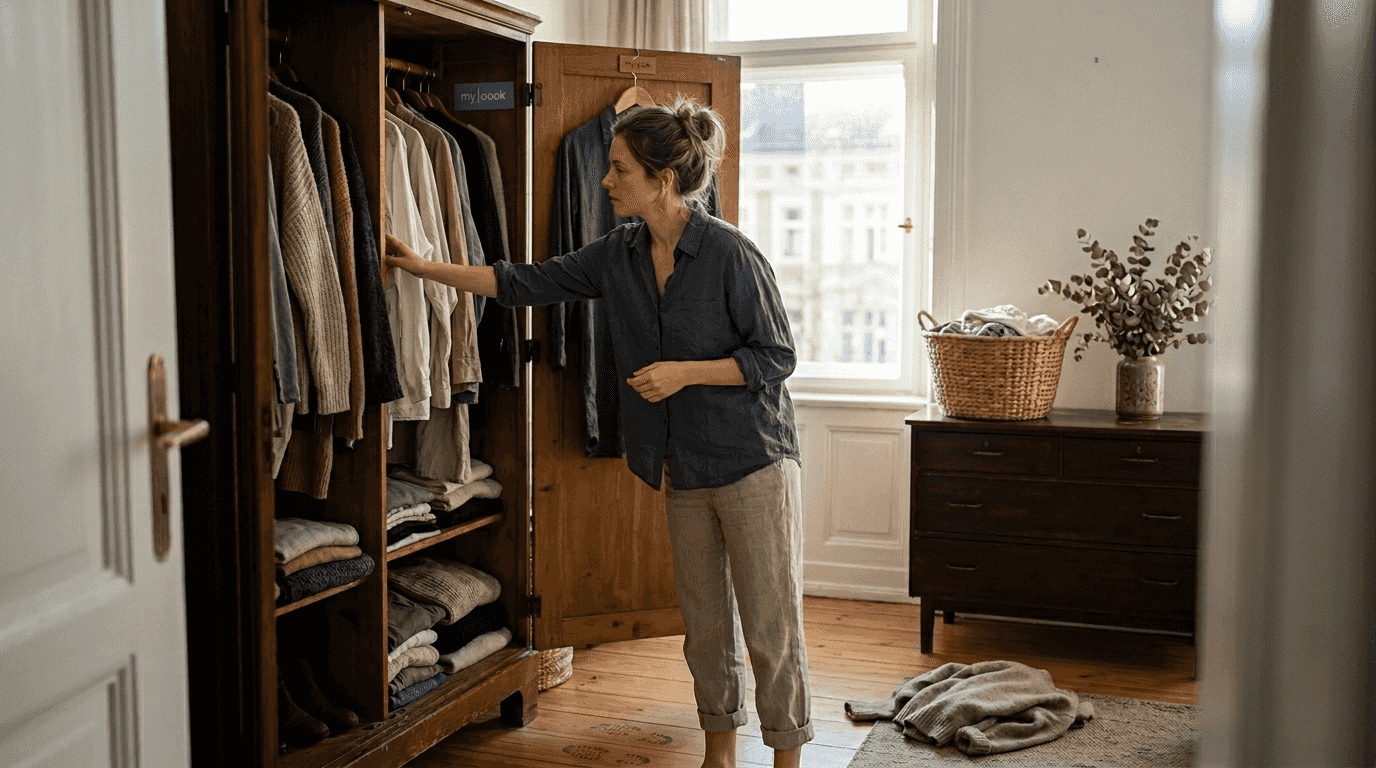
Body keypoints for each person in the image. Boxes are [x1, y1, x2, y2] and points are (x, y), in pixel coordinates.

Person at [383, 96, 810, 768]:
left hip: (754, 462)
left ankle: (786, 756)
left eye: (618, 169)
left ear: (661, 178)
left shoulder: (731, 253)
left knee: (769, 625)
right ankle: (720, 752)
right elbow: (523, 282)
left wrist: (683, 374)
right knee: (703, 628)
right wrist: (420, 266)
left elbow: (777, 358)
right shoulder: (622, 252)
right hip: (682, 466)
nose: (605, 180)